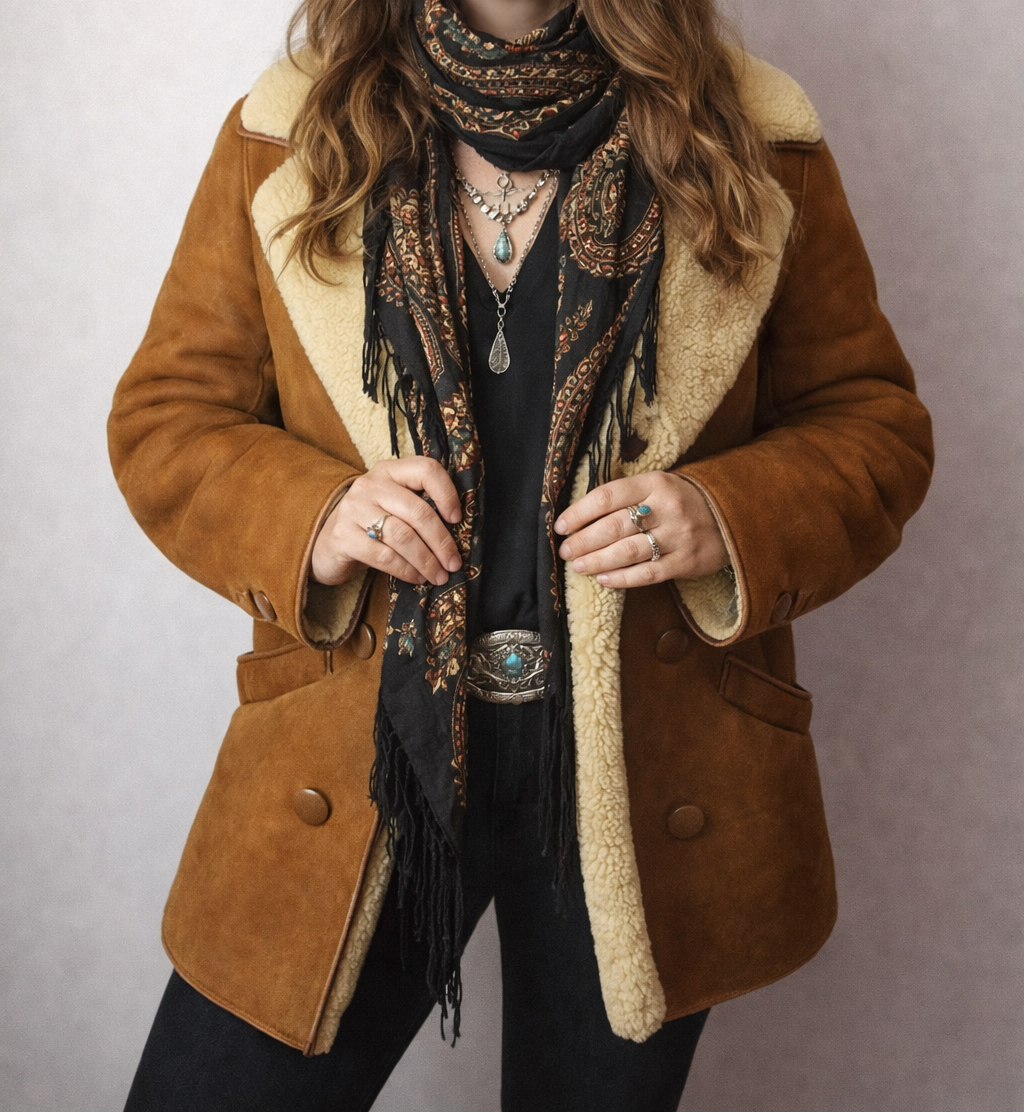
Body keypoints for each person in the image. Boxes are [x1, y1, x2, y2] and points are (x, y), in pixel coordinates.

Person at [109, 0, 933, 1109]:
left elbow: (873, 423)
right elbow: (167, 418)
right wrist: (319, 514)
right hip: (363, 763)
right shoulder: (291, 128)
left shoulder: (751, 130)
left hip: (642, 774)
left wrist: (724, 513)